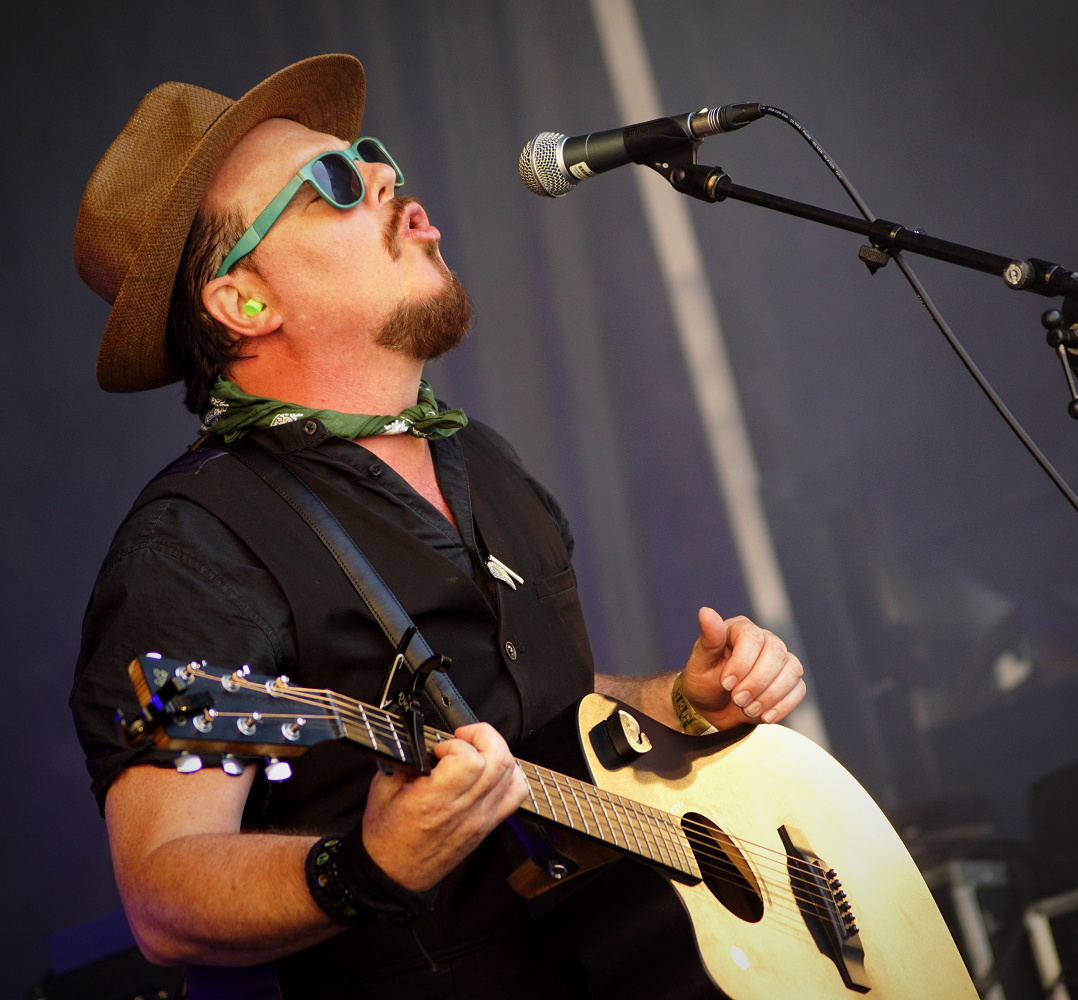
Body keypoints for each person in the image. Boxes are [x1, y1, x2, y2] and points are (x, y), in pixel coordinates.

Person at [69, 54, 807, 998]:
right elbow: (163, 894)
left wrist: (679, 702)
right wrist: (362, 866)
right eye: (332, 181)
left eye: (369, 155)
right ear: (245, 301)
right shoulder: (195, 543)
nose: (384, 175)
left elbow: (526, 709)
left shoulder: (477, 455)